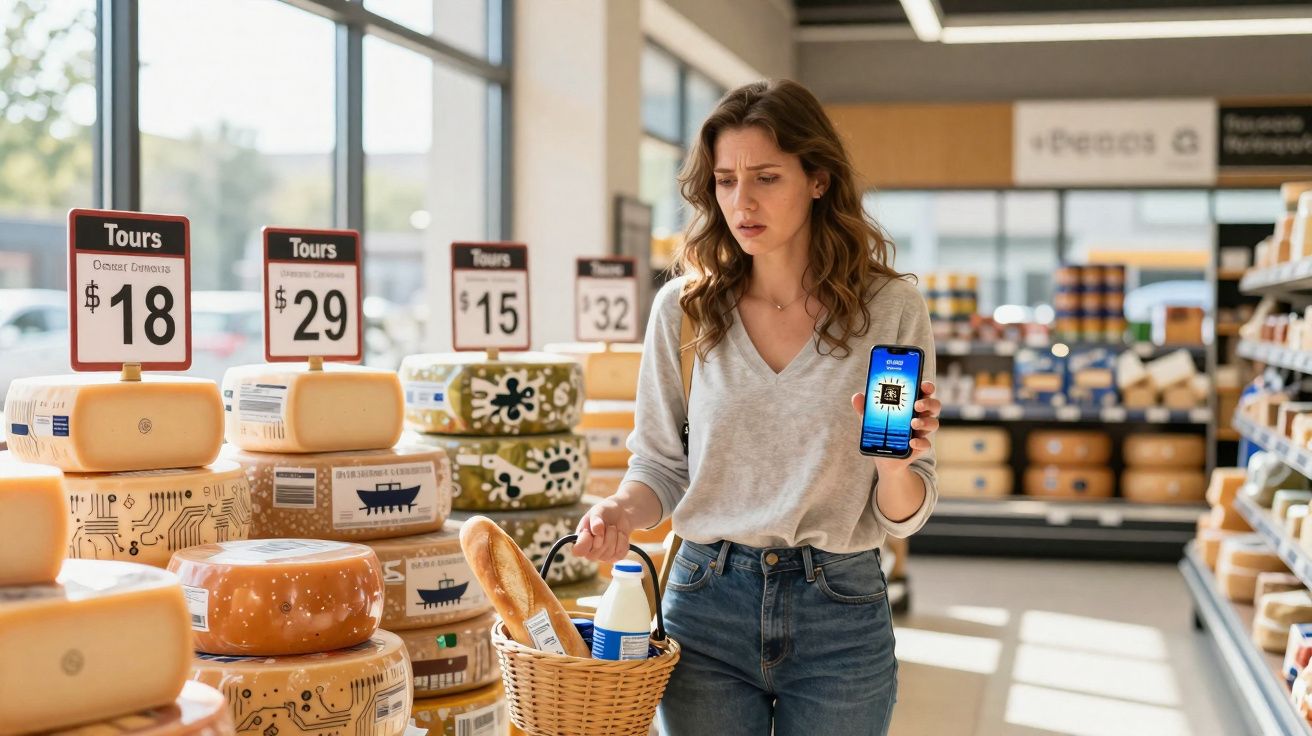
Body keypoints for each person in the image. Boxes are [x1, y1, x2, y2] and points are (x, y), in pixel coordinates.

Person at [571, 78, 940, 736]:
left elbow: (904, 516)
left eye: (767, 177)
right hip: (705, 602)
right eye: (726, 180)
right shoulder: (683, 311)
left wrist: (896, 465)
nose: (743, 201)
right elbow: (660, 467)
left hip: (841, 605)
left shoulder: (889, 310)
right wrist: (618, 512)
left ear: (818, 179)